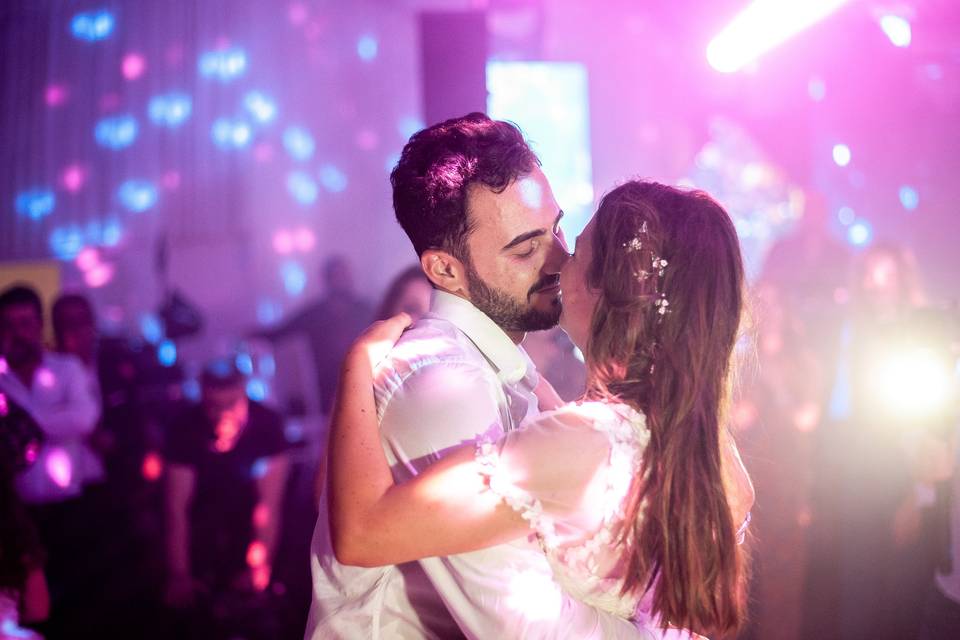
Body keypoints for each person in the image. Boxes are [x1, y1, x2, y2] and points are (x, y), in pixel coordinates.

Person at [328, 180, 754, 638]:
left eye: (574, 249)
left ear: (604, 289)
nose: (555, 262)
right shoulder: (707, 447)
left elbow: (362, 532)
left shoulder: (582, 443)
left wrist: (355, 367)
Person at [305, 113, 648, 639]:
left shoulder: (510, 371)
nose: (560, 258)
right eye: (525, 247)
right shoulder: (443, 387)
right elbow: (523, 626)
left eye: (556, 227)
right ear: (445, 270)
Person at [0, 285, 101, 634]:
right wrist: (56, 419)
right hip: (16, 517)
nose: (18, 333)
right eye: (8, 325)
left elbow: (85, 419)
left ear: (39, 324)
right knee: (27, 610)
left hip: (70, 509)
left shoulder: (67, 368)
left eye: (25, 322)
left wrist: (20, 423)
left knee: (78, 603)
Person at [163, 361, 291, 630]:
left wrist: (259, 565)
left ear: (244, 393)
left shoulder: (267, 424)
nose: (222, 414)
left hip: (250, 531)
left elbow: (268, 505)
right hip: (202, 533)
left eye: (230, 403)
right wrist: (179, 573)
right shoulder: (183, 428)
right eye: (213, 405)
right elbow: (176, 509)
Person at [259, 255, 373, 415]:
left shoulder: (365, 309)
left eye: (344, 275)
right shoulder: (316, 314)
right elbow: (281, 332)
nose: (341, 280)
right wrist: (251, 335)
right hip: (329, 385)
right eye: (336, 275)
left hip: (367, 378)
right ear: (328, 279)